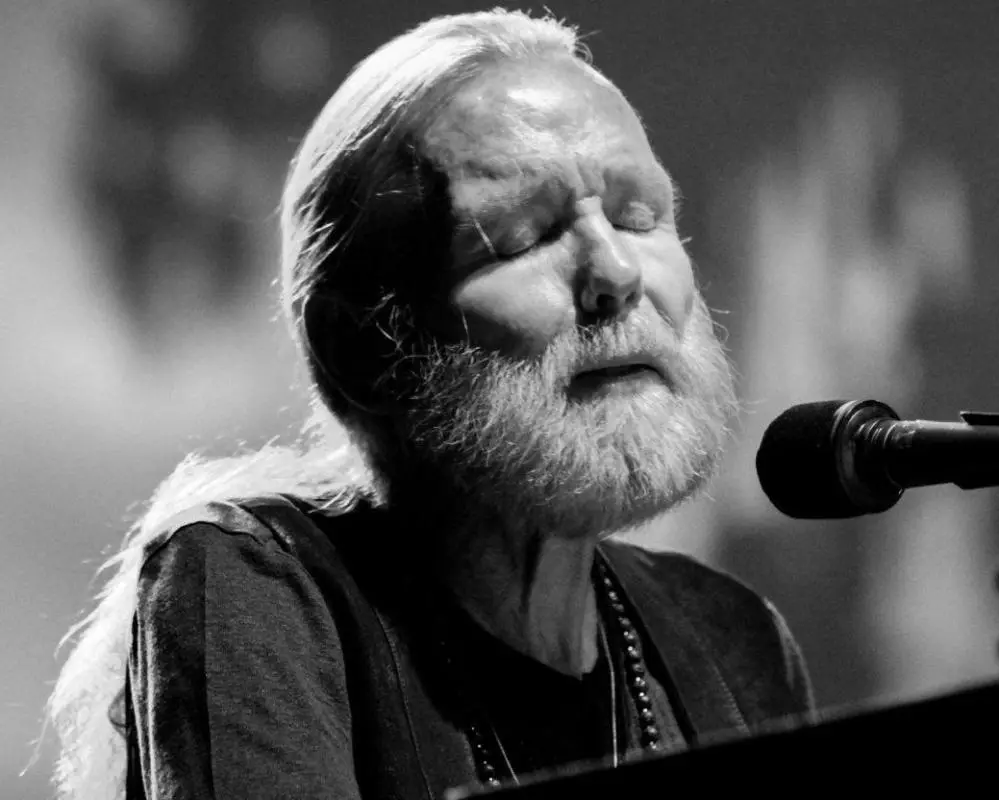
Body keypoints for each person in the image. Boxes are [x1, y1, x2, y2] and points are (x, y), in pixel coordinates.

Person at [49, 9, 815, 800]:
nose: (616, 273)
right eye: (523, 237)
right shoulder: (257, 587)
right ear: (362, 347)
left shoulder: (734, 641)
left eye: (638, 217)